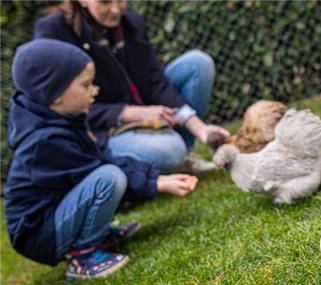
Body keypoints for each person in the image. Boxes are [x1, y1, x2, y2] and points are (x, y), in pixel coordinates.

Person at [4, 39, 198, 280]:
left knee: (108, 172)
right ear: (55, 95)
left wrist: (156, 177)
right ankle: (83, 256)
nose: (94, 90)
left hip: (53, 218)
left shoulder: (63, 119)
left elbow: (103, 155)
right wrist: (156, 184)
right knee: (108, 178)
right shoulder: (44, 140)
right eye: (85, 85)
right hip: (40, 234)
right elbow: (97, 168)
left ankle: (99, 235)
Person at [33, 0, 230, 173]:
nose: (116, 10)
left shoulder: (132, 22)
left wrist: (199, 127)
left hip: (142, 108)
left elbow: (155, 82)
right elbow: (58, 107)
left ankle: (184, 156)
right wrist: (127, 112)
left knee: (197, 64)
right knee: (169, 152)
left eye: (122, 0)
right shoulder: (53, 31)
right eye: (105, 2)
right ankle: (156, 163)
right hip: (100, 129)